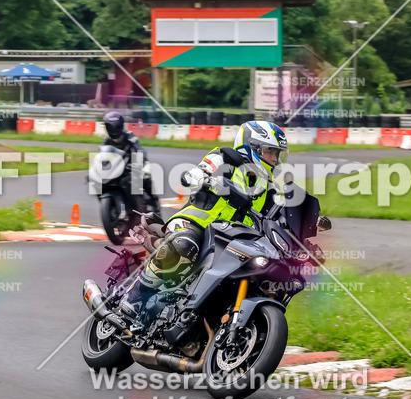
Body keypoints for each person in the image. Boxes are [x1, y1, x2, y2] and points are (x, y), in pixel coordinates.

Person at [119, 120, 289, 329]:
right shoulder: (224, 158)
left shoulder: (268, 188)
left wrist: (303, 228)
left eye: (277, 154)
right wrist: (203, 177)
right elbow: (197, 172)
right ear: (251, 146)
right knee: (184, 246)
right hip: (195, 222)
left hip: (229, 239)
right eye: (270, 151)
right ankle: (134, 298)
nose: (274, 159)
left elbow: (279, 216)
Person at [102, 111, 159, 212]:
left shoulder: (129, 136)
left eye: (115, 126)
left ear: (120, 126)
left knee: (145, 176)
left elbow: (139, 150)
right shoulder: (107, 141)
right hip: (117, 168)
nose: (113, 129)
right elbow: (103, 155)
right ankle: (113, 206)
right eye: (110, 127)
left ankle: (153, 202)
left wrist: (138, 161)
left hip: (133, 165)